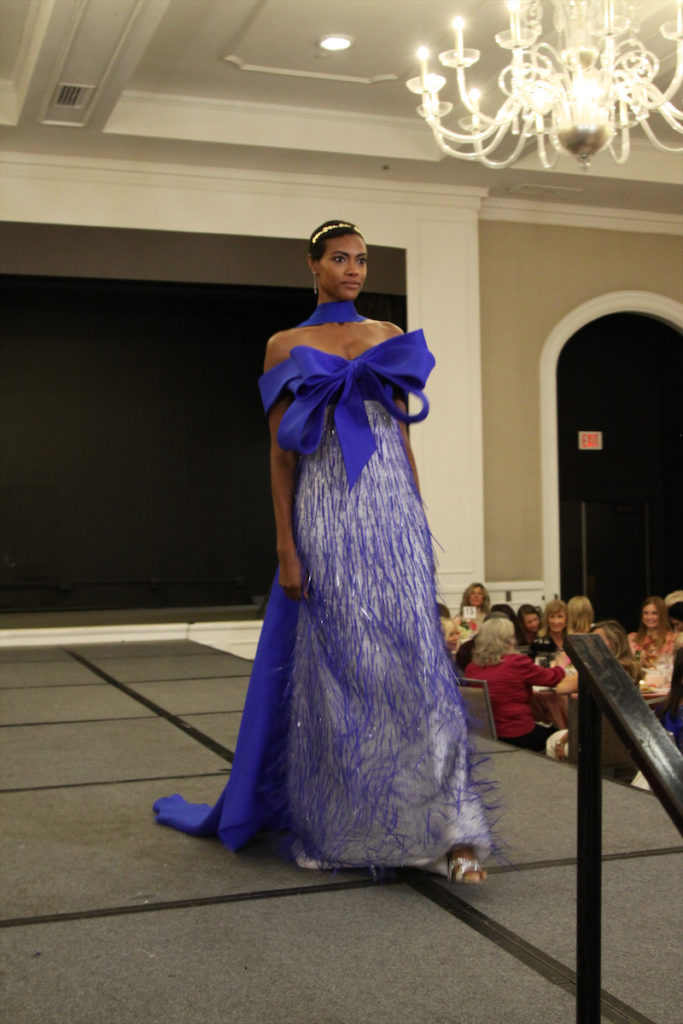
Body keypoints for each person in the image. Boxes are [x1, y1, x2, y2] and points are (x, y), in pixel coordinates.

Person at [154, 219, 490, 884]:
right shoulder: (285, 345)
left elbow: (403, 439)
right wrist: (285, 545)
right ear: (312, 264)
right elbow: (281, 456)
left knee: (418, 669)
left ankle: (454, 831)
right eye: (340, 259)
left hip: (390, 514)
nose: (354, 270)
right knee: (339, 673)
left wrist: (418, 528)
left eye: (362, 260)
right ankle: (347, 827)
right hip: (325, 516)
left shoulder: (388, 339)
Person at [467, 618, 577, 751]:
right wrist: (561, 665)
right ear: (509, 639)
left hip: (487, 734)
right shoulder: (517, 662)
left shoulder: (472, 667)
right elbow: (551, 679)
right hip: (517, 733)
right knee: (559, 737)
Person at [628, 596, 676, 670]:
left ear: (662, 616)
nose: (649, 617)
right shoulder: (633, 638)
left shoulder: (672, 639)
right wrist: (640, 660)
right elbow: (634, 661)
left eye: (654, 613)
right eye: (645, 613)